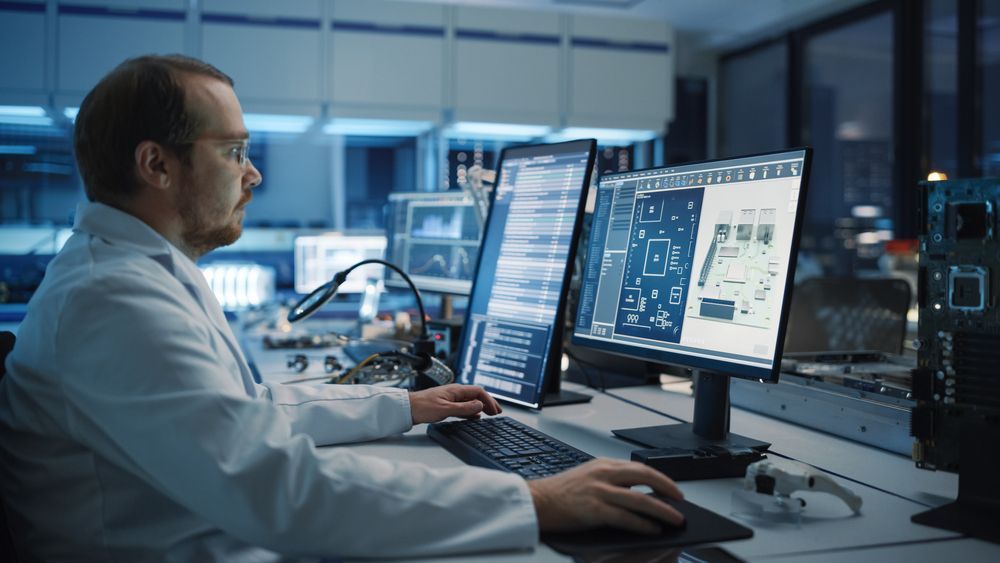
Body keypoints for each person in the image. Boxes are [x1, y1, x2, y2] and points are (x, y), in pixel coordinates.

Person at [0, 55, 684, 561]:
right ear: (157, 164)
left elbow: (246, 414)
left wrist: (405, 407)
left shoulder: (133, 273)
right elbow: (282, 493)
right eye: (234, 150)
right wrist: (535, 500)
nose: (253, 171)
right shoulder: (114, 301)